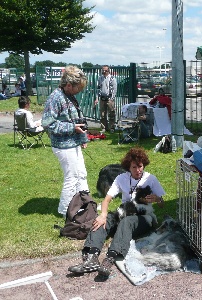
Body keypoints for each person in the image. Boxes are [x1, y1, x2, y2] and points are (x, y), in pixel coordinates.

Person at [67, 147, 166, 279]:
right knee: (103, 220)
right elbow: (107, 199)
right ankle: (91, 257)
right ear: (128, 168)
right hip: (125, 211)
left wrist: (157, 199)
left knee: (127, 222)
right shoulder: (121, 178)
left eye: (140, 166)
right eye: (134, 167)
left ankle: (110, 259)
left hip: (144, 217)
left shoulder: (150, 179)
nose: (138, 170)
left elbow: (162, 204)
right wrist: (102, 215)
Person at [41, 65, 89, 218]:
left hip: (73, 142)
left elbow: (77, 119)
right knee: (72, 177)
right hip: (62, 145)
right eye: (77, 88)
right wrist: (72, 128)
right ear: (68, 85)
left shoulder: (69, 96)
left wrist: (82, 137)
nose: (79, 91)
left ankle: (85, 204)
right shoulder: (56, 97)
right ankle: (65, 210)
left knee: (81, 174)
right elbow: (47, 123)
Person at [94, 65, 117, 133]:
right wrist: (97, 98)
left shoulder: (112, 78)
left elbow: (114, 89)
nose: (103, 71)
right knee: (102, 114)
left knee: (111, 113)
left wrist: (112, 98)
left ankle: (112, 127)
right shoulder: (100, 78)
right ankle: (104, 127)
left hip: (109, 98)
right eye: (103, 70)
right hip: (102, 98)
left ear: (108, 71)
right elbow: (98, 89)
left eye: (105, 70)